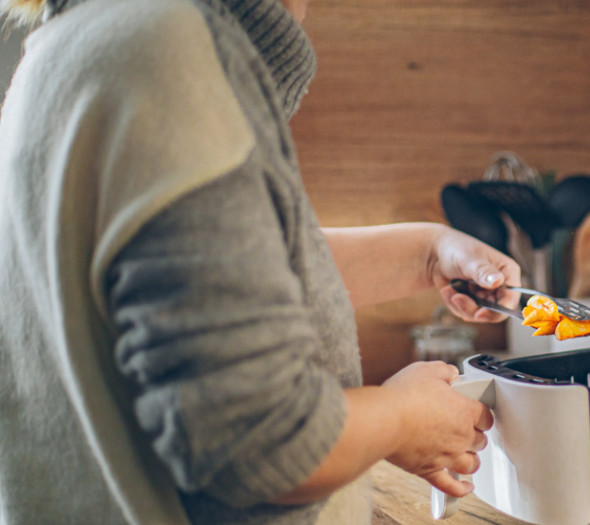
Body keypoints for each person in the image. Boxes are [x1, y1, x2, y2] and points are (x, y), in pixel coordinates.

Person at [0, 0, 521, 521]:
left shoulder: (71, 45)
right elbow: (262, 441)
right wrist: (402, 418)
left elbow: (215, 282)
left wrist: (427, 254)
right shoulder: (168, 53)